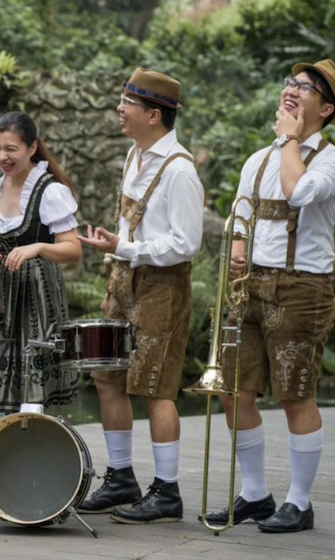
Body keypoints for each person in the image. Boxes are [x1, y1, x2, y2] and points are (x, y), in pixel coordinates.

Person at [202, 59, 335, 534]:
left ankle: (300, 503)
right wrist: (238, 250)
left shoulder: (330, 159)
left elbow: (297, 190)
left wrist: (293, 139)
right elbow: (242, 215)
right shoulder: (258, 159)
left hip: (302, 287)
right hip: (251, 285)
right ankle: (256, 495)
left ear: (327, 108)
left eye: (306, 87)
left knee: (295, 394)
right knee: (234, 391)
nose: (293, 90)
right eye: (291, 83)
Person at [78, 69, 204, 523]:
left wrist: (125, 247)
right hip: (124, 278)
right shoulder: (135, 155)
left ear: (154, 114)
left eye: (128, 102)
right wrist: (116, 251)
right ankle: (121, 478)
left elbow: (186, 243)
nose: (119, 108)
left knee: (155, 386)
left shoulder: (180, 171)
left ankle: (167, 492)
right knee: (106, 376)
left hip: (162, 287)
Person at [0, 111, 82, 418]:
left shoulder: (50, 190)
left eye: (11, 149)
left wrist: (37, 247)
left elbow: (73, 248)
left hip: (37, 291)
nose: (2, 156)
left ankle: (32, 447)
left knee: (32, 373)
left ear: (32, 148)